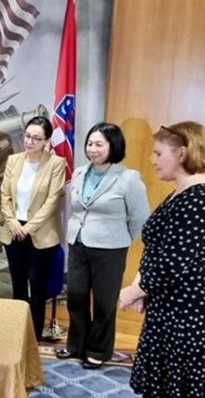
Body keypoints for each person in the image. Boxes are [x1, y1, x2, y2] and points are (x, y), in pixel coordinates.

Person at [119, 122, 205, 398]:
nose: (152, 160)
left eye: (158, 153)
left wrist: (132, 292)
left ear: (182, 153)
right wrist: (142, 284)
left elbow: (171, 265)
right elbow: (157, 249)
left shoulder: (200, 198)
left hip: (193, 317)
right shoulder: (181, 192)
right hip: (171, 314)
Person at [55, 123, 150, 369]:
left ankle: (98, 350)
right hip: (78, 244)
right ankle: (76, 345)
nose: (92, 149)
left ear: (113, 146)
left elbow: (141, 218)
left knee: (104, 302)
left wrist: (123, 240)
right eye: (90, 143)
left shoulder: (128, 178)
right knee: (76, 296)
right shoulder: (79, 173)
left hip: (110, 249)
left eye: (99, 144)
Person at [0, 116, 66, 340]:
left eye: (36, 138)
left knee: (37, 287)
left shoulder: (56, 164)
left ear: (47, 141)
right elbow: (5, 195)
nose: (29, 141)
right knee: (18, 285)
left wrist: (28, 227)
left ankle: (34, 336)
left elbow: (52, 201)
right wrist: (12, 222)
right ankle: (17, 334)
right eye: (27, 136)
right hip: (13, 231)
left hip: (40, 233)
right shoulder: (14, 160)